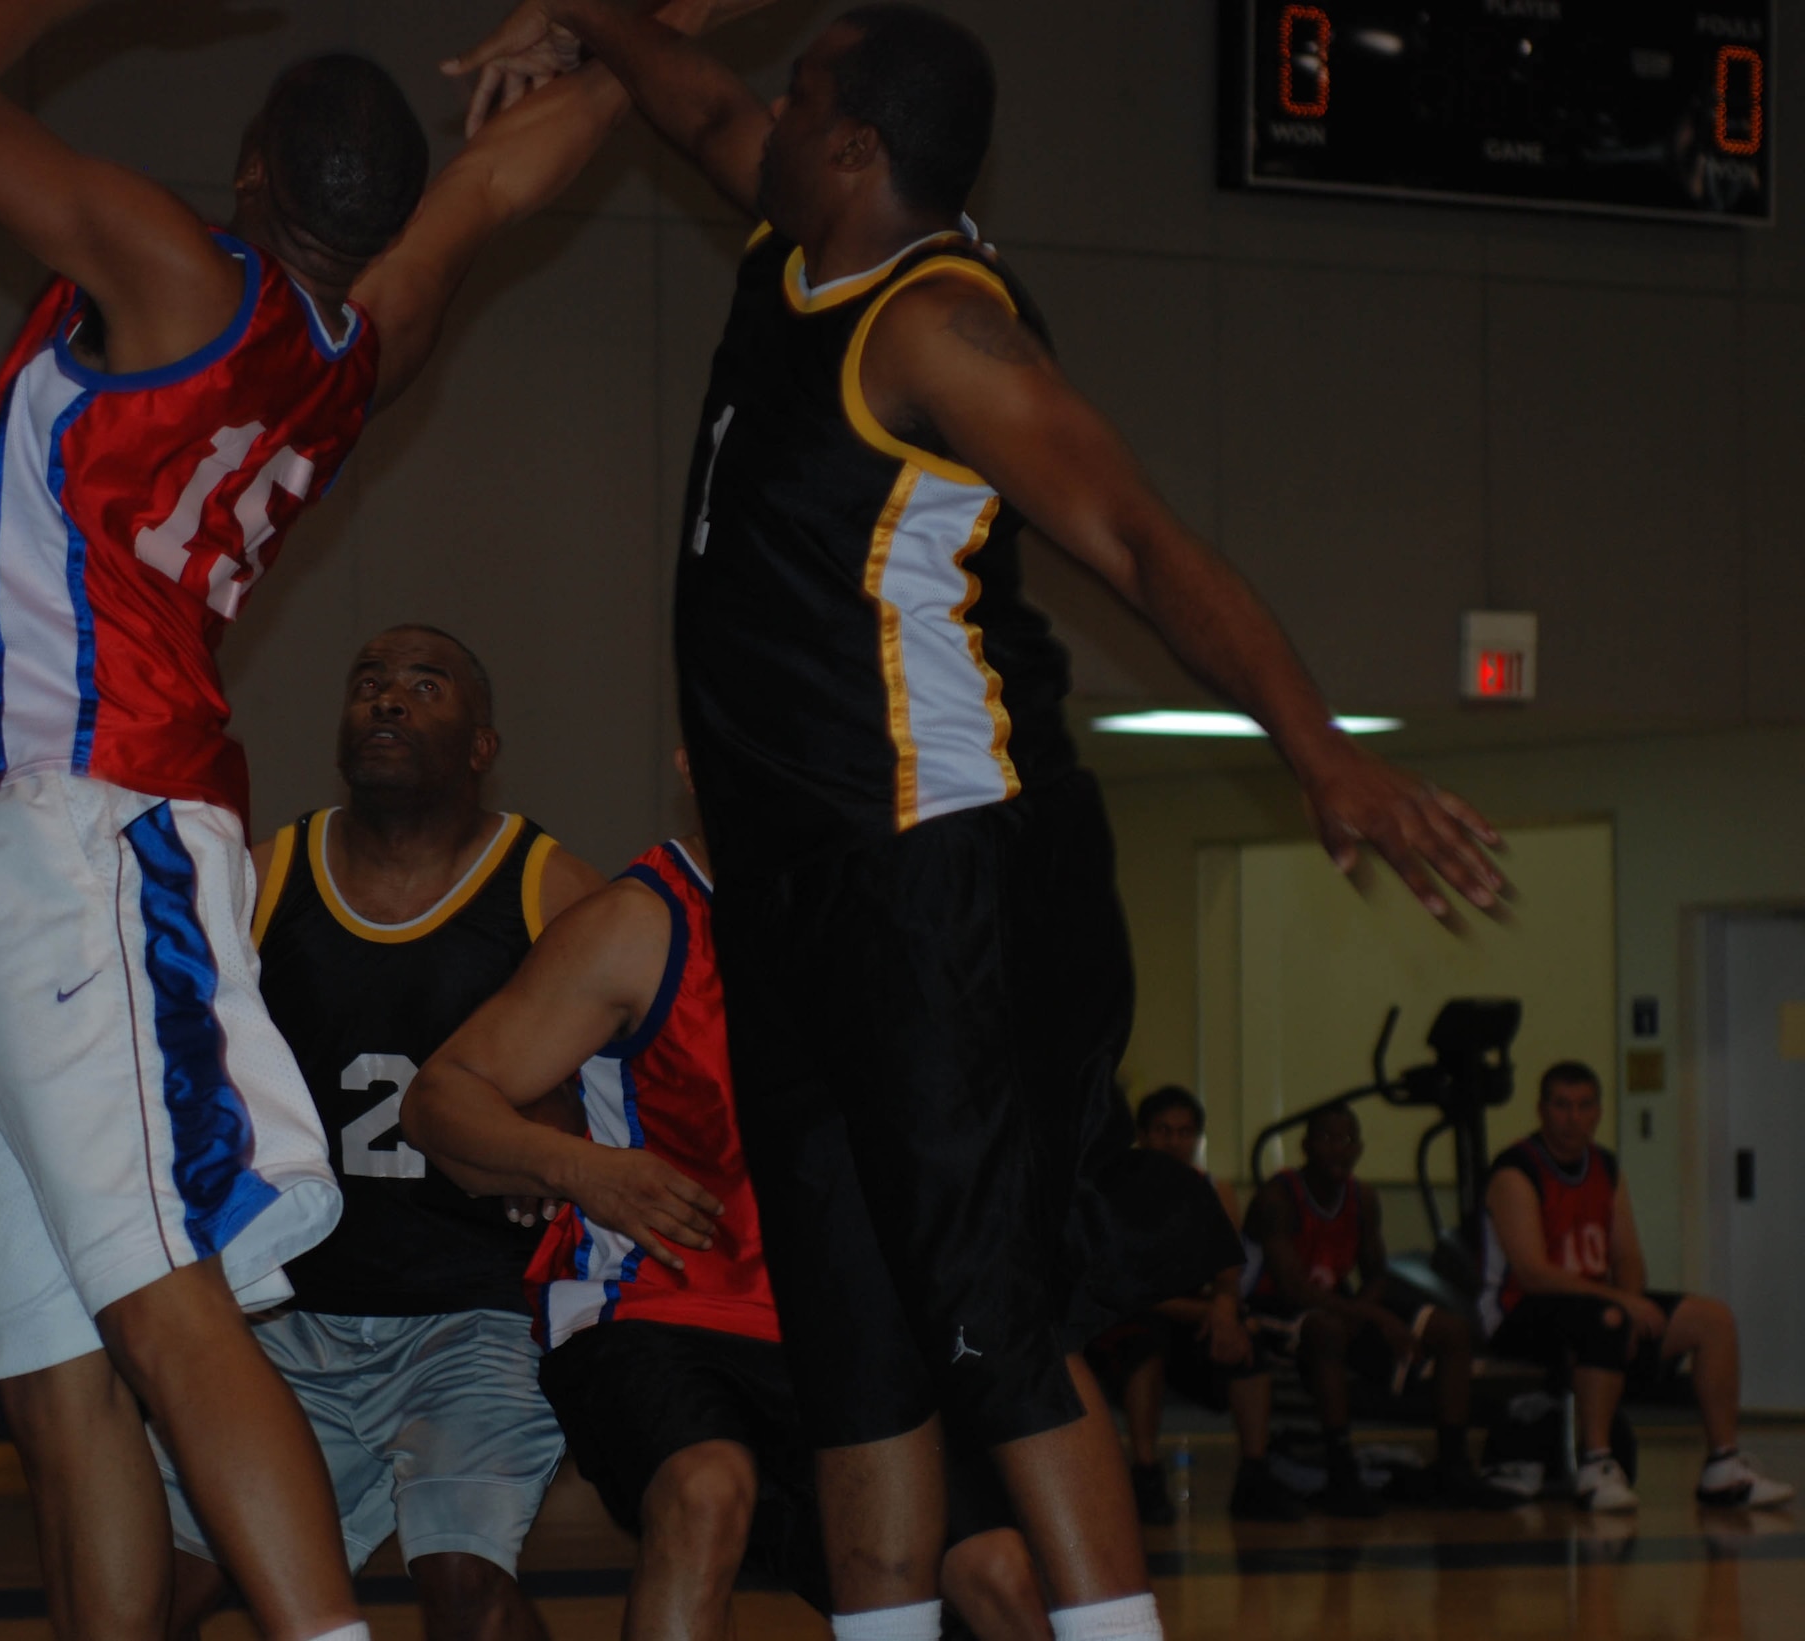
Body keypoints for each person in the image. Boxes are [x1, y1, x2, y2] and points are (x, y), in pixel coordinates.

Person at [448, 6, 1509, 1637]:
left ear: (857, 147)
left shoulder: (938, 327)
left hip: (932, 877)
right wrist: (593, 16)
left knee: (989, 1328)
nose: (766, 113)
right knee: (856, 1345)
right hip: (791, 897)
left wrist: (1320, 751)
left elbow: (1141, 542)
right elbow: (698, 105)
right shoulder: (795, 243)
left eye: (803, 96)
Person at [0, 2, 715, 1633]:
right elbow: (501, 185)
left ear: (250, 167)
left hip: (94, 827)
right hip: (39, 843)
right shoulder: (367, 341)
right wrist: (623, 33)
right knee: (60, 1370)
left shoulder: (176, 274)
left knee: (169, 1312)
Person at [401, 786, 1047, 1641]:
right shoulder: (640, 921)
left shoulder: (888, 919)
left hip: (842, 1329)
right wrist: (578, 1165)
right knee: (706, 1489)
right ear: (690, 758)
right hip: (658, 1306)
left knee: (998, 1574)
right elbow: (439, 1097)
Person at [156, 626, 602, 1639]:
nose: (387, 700)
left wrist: (552, 1115)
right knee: (156, 1590)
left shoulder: (551, 886)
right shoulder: (263, 876)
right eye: (369, 683)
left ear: (482, 746)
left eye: (424, 686)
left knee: (462, 1581)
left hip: (476, 1313)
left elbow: (617, 1086)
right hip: (291, 1315)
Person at [1480, 1061, 1795, 1513]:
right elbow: (1532, 1273)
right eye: (1562, 1106)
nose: (1573, 1118)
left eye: (1584, 1106)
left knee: (1712, 1319)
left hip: (1591, 1305)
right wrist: (1621, 1304)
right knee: (1607, 1319)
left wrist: (1630, 1301)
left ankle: (1723, 1465)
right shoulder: (1516, 1170)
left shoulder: (1605, 1167)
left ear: (1598, 1112)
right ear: (1542, 1110)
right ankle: (1596, 1465)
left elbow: (1627, 1256)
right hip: (1518, 1311)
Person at [1241, 1106, 1505, 1516]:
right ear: (1306, 1146)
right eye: (1328, 1139)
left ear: (1360, 1149)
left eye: (1348, 1140)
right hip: (1271, 1309)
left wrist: (1364, 1311)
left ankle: (1453, 1464)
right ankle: (1341, 1471)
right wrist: (1374, 1317)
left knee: (1451, 1329)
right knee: (1329, 1329)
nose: (1338, 1149)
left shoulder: (1362, 1198)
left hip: (1336, 1304)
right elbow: (1293, 1289)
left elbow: (1376, 1274)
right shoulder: (1278, 1198)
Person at [1088, 1087, 1300, 1527]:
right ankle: (1145, 1474)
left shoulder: (1214, 1189)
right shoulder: (1115, 1192)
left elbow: (1228, 1270)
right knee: (1144, 1343)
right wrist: (1211, 1312)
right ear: (1142, 1136)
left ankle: (1254, 1475)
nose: (1174, 1142)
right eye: (1163, 1131)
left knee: (1248, 1344)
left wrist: (1224, 1306)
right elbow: (1128, 1287)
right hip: (1134, 1315)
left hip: (1194, 1314)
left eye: (1184, 1132)